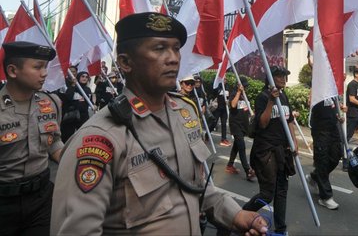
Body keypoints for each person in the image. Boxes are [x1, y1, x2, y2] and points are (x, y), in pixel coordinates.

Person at [51, 12, 267, 235]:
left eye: (175, 48)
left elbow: (196, 187)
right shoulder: (101, 137)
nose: (173, 58)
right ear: (125, 62)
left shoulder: (184, 114)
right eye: (159, 48)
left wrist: (235, 215)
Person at [0, 41, 62, 235]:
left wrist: (76, 157)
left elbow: (54, 143)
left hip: (41, 198)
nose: (44, 73)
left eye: (45, 67)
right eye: (37, 67)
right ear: (12, 70)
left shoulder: (51, 102)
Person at [243, 66, 297, 236]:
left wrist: (293, 142)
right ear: (271, 78)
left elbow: (289, 121)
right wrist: (271, 101)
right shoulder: (263, 97)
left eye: (284, 76)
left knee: (282, 190)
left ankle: (281, 229)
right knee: (267, 194)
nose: (283, 79)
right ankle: (242, 214)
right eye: (279, 76)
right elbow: (263, 123)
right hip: (265, 151)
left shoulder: (285, 95)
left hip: (282, 151)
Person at [306, 94, 345, 210]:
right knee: (322, 161)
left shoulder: (332, 91)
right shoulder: (319, 89)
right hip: (320, 130)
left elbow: (334, 107)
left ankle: (315, 176)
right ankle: (326, 197)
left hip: (333, 128)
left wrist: (340, 115)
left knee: (336, 156)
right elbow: (310, 103)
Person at [225, 76, 255, 181]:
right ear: (238, 85)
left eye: (246, 86)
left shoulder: (245, 96)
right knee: (242, 147)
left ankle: (230, 165)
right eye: (243, 86)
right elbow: (233, 105)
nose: (245, 88)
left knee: (237, 146)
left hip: (244, 126)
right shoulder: (234, 93)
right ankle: (248, 171)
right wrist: (238, 92)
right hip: (235, 125)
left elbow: (248, 109)